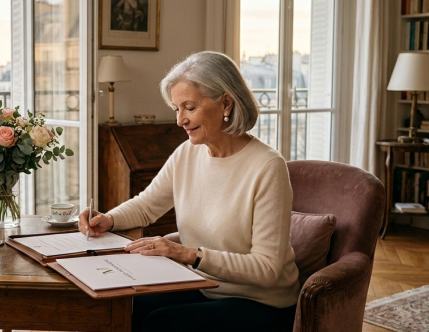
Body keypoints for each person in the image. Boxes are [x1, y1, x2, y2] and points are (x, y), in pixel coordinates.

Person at [79, 51, 299, 332]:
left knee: (160, 324)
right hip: (206, 286)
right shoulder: (188, 153)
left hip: (261, 303)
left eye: (190, 107)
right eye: (176, 109)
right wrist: (107, 219)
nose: (180, 120)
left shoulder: (267, 166)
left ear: (226, 103)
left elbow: (267, 270)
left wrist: (189, 254)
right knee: (118, 306)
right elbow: (147, 205)